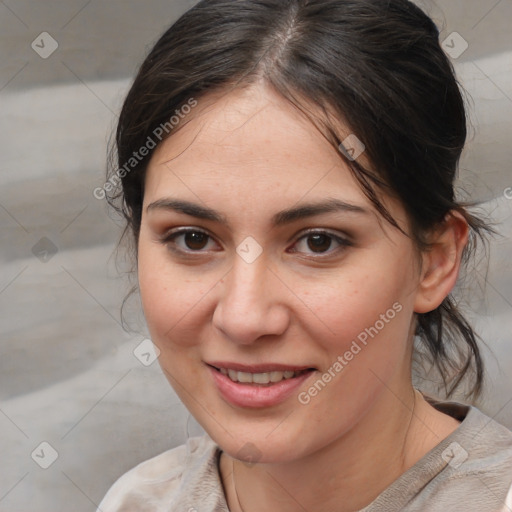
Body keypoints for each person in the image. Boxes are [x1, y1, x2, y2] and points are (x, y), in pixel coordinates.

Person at [97, 0, 512, 510]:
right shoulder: (134, 502)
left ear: (435, 259)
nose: (244, 318)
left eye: (319, 242)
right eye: (194, 239)